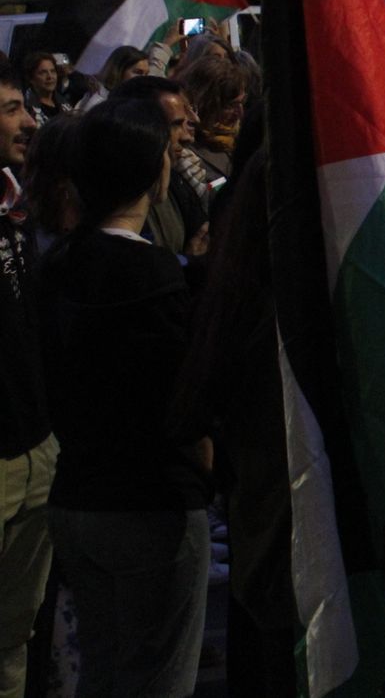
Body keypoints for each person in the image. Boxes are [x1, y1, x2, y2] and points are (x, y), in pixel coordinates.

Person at [40, 98, 211, 697]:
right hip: (152, 504)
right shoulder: (155, 275)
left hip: (77, 498)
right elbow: (180, 402)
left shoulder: (57, 263)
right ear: (152, 171)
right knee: (158, 678)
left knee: (103, 670)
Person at [0, 62, 45, 698]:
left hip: (36, 448)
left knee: (14, 634)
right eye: (11, 108)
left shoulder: (19, 205)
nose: (30, 121)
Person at [108, 77, 208, 262]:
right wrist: (188, 264)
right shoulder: (114, 200)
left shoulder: (177, 182)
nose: (188, 137)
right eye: (176, 124)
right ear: (141, 127)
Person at [177, 56, 248, 185]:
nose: (239, 113)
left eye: (242, 102)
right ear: (205, 103)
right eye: (230, 106)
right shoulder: (186, 153)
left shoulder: (244, 137)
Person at [74, 47, 151, 113]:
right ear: (119, 70)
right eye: (138, 72)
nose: (143, 79)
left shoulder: (129, 103)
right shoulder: (100, 103)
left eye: (146, 74)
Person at [21, 53, 61, 127]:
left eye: (53, 71)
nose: (50, 76)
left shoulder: (64, 103)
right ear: (31, 78)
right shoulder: (25, 109)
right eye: (43, 72)